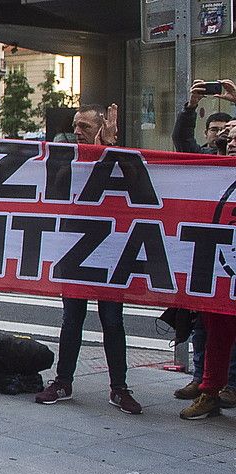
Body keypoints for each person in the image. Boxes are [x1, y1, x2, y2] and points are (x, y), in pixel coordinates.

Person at [36, 104, 142, 415]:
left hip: (110, 249)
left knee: (112, 321)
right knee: (71, 321)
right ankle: (63, 381)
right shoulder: (69, 158)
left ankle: (119, 387)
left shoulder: (119, 155)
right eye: (75, 125)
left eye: (85, 126)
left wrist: (108, 150)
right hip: (75, 250)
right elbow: (56, 189)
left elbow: (136, 186)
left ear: (102, 128)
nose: (77, 131)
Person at [171, 80, 236, 405]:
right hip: (213, 263)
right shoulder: (207, 163)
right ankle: (204, 382)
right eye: (226, 134)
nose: (229, 139)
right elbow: (183, 141)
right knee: (208, 327)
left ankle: (228, 386)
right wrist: (190, 107)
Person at [172, 79, 234, 154]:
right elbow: (182, 139)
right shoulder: (201, 157)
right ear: (206, 133)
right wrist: (191, 106)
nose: (219, 133)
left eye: (226, 129)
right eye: (214, 130)